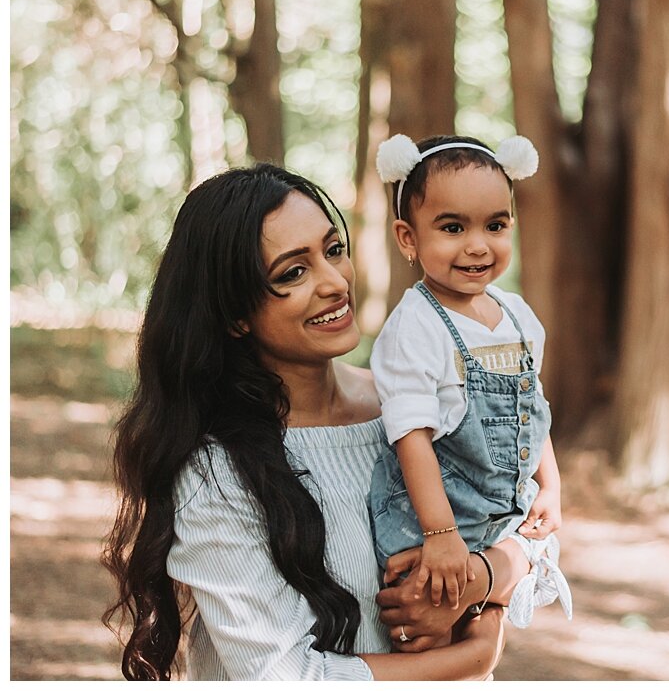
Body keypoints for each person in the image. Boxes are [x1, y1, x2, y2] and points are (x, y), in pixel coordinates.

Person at [103, 165, 559, 680]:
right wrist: (471, 656)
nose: (334, 282)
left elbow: (531, 524)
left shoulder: (412, 405)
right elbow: (284, 676)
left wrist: (478, 582)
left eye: (334, 250)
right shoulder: (217, 471)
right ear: (235, 315)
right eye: (292, 273)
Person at [369, 134, 571, 623]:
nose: (478, 245)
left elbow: (532, 408)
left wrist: (550, 486)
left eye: (495, 225)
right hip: (430, 522)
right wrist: (440, 534)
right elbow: (411, 435)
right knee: (427, 629)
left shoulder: (517, 314)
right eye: (453, 227)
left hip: (503, 518)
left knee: (480, 628)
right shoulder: (417, 324)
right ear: (408, 238)